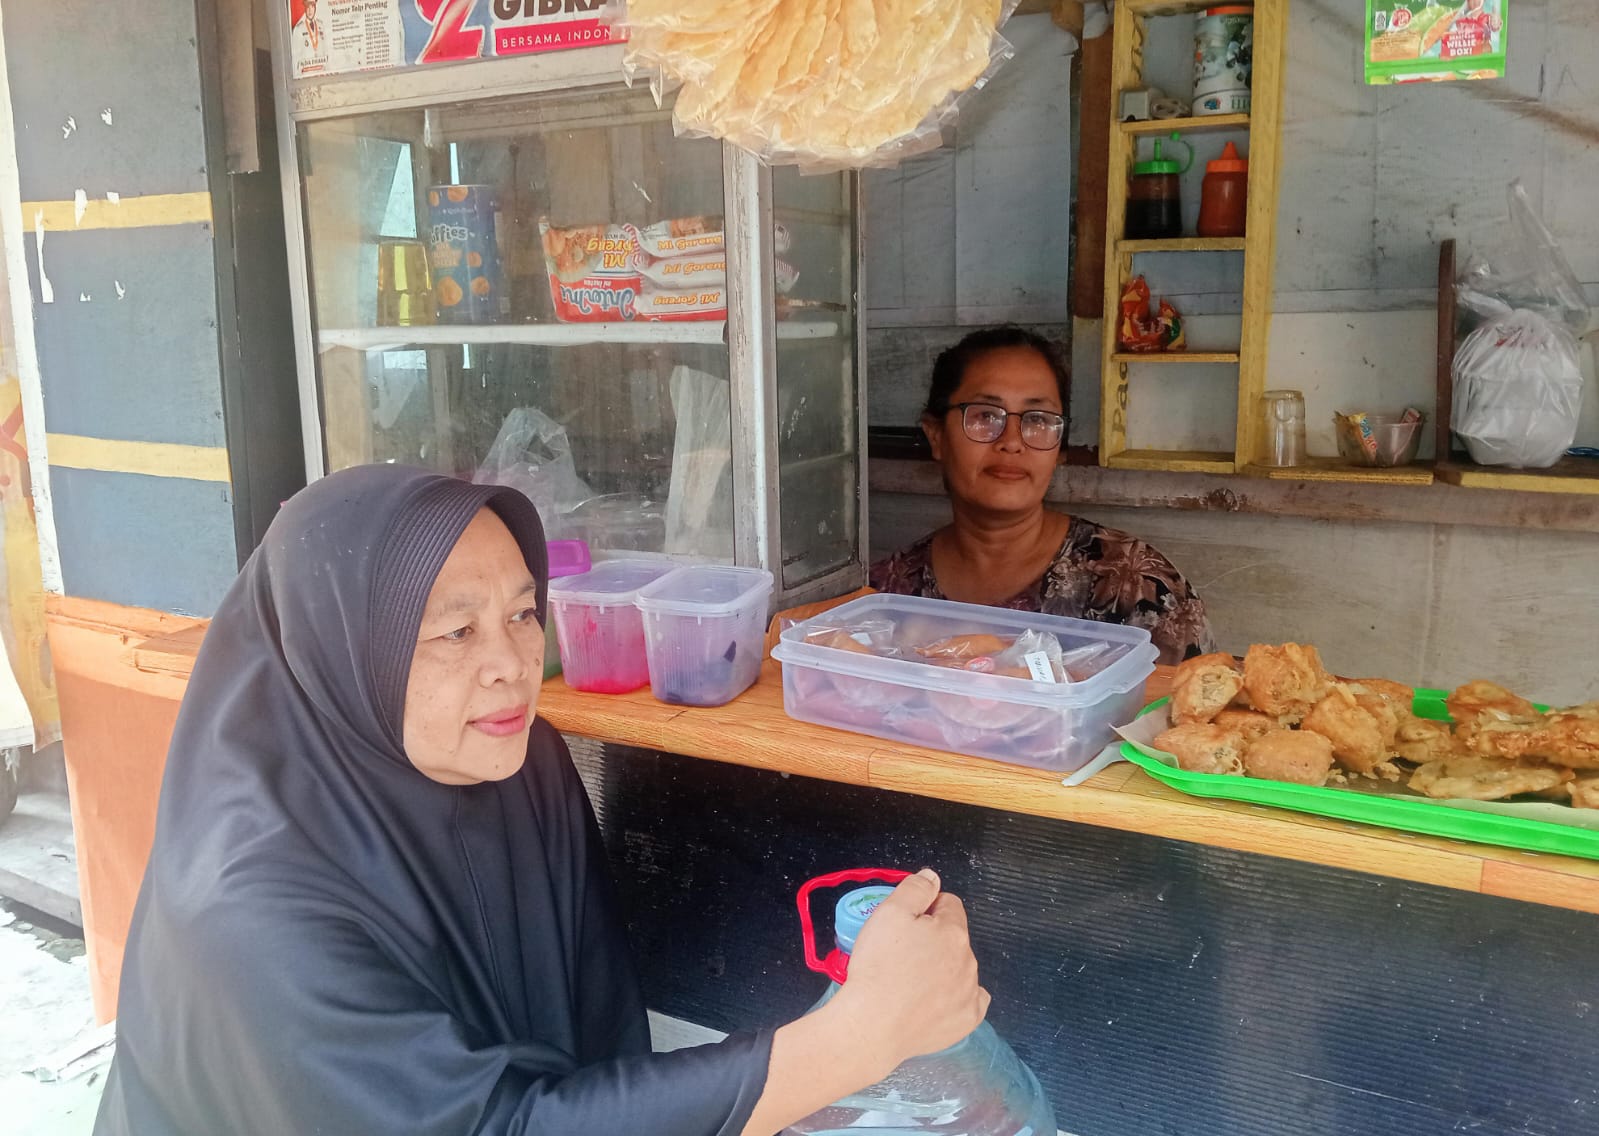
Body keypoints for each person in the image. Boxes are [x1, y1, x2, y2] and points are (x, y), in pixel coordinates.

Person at [95, 465, 987, 1136]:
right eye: (454, 629)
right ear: (337, 656)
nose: (510, 663)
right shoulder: (251, 911)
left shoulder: (521, 762)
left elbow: (595, 1024)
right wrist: (852, 1040)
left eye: (524, 614)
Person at [871, 326, 1214, 665]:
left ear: (1059, 448)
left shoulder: (1139, 590)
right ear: (936, 437)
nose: (1012, 441)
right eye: (985, 415)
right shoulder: (887, 594)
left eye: (1037, 419)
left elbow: (1196, 713)